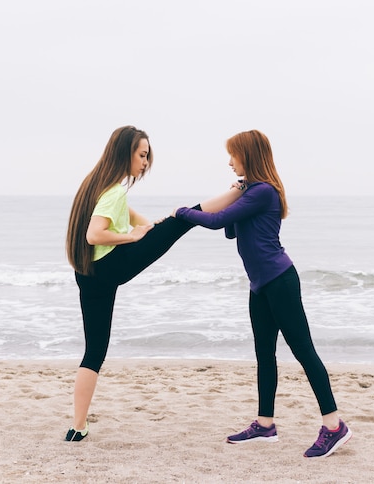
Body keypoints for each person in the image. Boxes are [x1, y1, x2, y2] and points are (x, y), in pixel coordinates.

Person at [173, 129, 352, 458]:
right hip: (260, 285)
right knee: (265, 356)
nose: (229, 162)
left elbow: (214, 222)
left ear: (249, 156)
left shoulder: (264, 192)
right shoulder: (251, 192)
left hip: (280, 281)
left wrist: (182, 212)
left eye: (233, 155)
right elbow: (229, 231)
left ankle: (334, 426)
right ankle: (265, 424)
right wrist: (234, 196)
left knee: (303, 352)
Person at [64, 125, 242, 441]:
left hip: (88, 274)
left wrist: (149, 228)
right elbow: (95, 234)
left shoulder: (96, 186)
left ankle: (77, 426)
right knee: (182, 219)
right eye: (142, 155)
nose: (145, 163)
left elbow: (139, 221)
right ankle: (241, 190)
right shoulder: (114, 190)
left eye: (147, 157)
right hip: (110, 266)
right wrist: (131, 236)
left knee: (94, 352)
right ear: (125, 152)